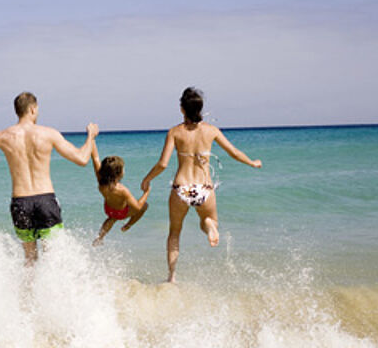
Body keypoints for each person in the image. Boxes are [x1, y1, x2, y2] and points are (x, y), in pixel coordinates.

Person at [0, 92, 99, 264]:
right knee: (53, 258)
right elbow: (82, 159)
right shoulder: (48, 134)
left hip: (21, 203)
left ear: (17, 111)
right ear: (32, 109)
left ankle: (28, 284)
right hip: (45, 200)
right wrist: (90, 136)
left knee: (30, 259)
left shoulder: (3, 136)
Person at [140, 87, 262, 283]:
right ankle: (209, 226)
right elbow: (233, 152)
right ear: (200, 109)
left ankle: (172, 277)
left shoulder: (175, 132)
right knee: (208, 220)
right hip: (204, 188)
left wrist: (147, 179)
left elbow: (162, 164)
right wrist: (252, 162)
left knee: (174, 233)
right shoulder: (211, 131)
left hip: (181, 188)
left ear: (182, 109)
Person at [91, 142, 150, 246]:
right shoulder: (122, 190)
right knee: (145, 206)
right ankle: (128, 225)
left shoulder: (101, 181)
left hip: (108, 209)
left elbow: (95, 158)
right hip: (121, 212)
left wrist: (91, 140)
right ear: (119, 173)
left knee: (112, 218)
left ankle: (100, 238)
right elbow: (137, 207)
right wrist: (146, 192)